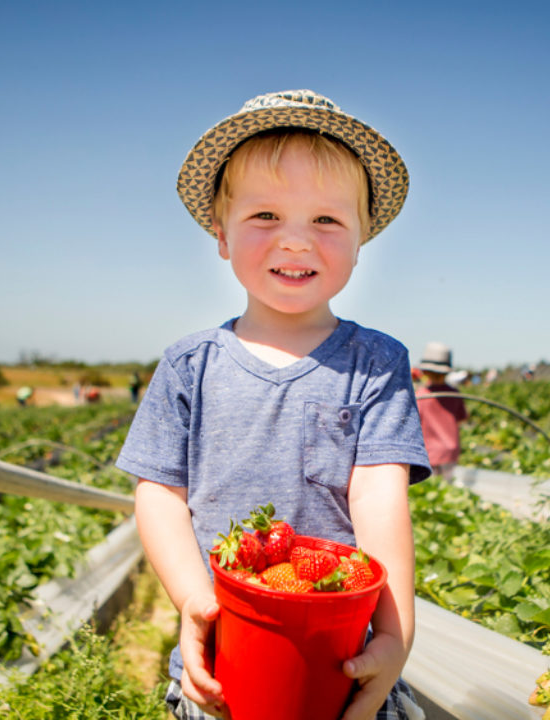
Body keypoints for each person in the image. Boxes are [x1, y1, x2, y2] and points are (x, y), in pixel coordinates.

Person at [115, 90, 429, 720]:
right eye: (264, 216)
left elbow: (377, 497)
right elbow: (160, 494)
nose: (294, 242)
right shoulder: (190, 364)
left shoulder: (376, 361)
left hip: (339, 661)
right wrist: (194, 601)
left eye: (326, 220)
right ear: (221, 235)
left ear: (363, 237)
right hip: (224, 660)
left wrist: (395, 638)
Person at [414, 342, 469, 477]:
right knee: (447, 487)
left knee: (431, 489)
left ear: (425, 371)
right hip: (450, 450)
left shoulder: (421, 395)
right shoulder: (454, 394)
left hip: (429, 452)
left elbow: (414, 425)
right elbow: (462, 418)